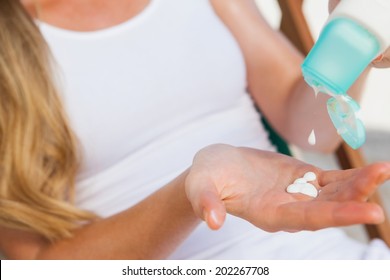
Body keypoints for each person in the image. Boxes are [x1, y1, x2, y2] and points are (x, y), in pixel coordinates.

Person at [0, 0, 389, 259]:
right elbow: (38, 266)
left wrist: (357, 35)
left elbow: (314, 130)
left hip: (323, 257)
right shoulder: (9, 47)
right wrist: (194, 194)